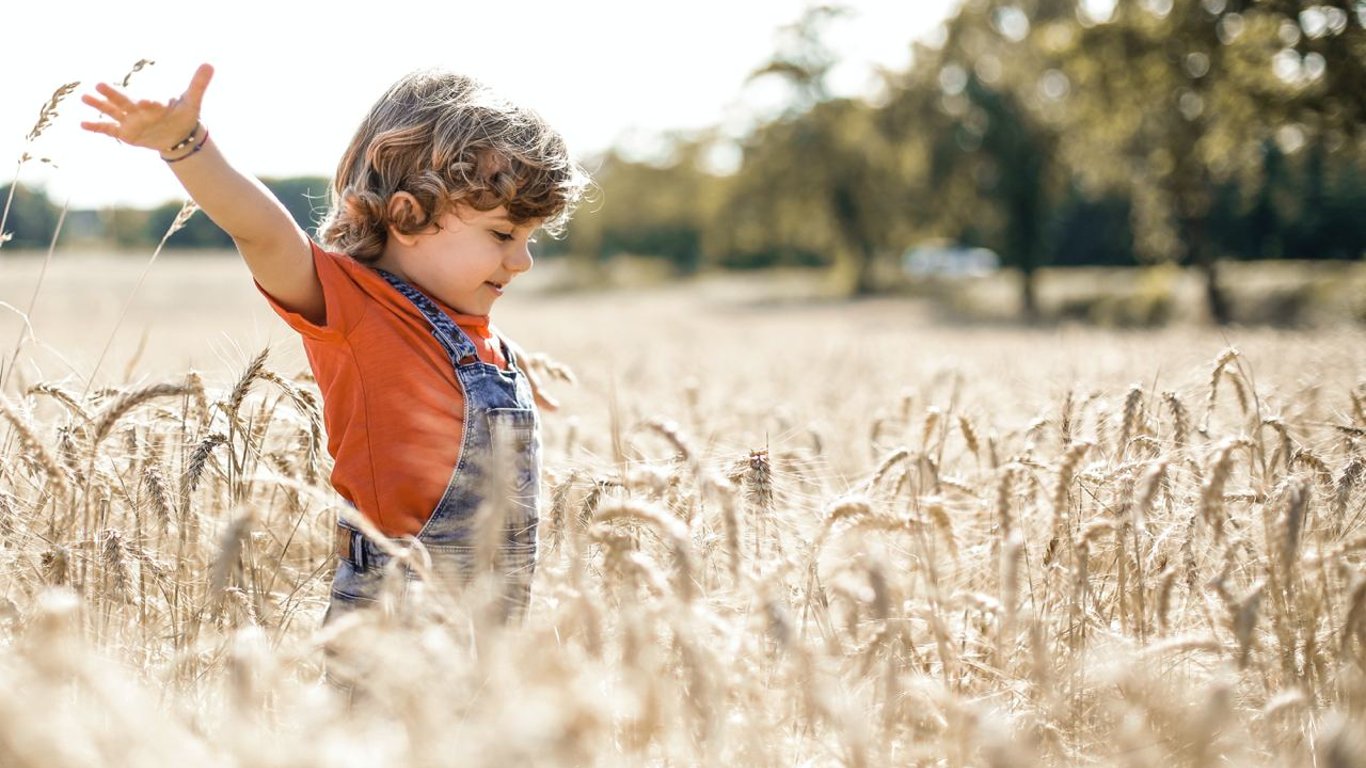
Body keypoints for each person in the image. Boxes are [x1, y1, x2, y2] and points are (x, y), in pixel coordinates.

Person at [81, 63, 589, 624]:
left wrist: (511, 373)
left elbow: (450, 366)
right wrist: (185, 145)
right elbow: (264, 232)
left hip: (492, 621)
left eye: (530, 237)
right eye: (503, 235)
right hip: (395, 614)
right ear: (407, 215)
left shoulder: (475, 332)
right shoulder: (355, 308)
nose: (523, 260)